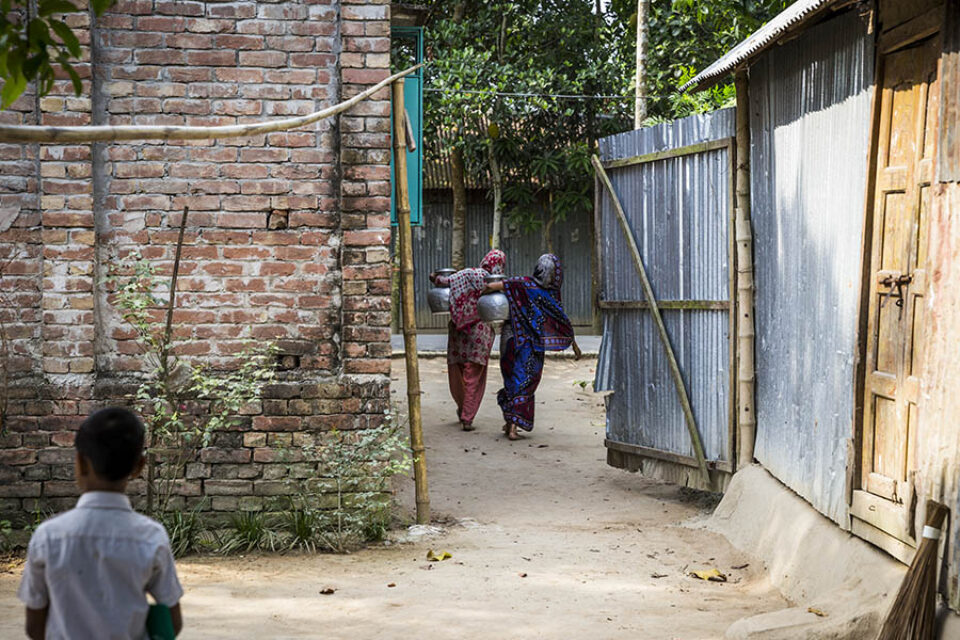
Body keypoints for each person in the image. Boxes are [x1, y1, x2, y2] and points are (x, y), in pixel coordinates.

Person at [19, 407, 184, 640]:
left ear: (80, 463)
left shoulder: (49, 536)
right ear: (139, 466)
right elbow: (172, 622)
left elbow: (34, 627)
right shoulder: (151, 536)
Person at [488, 253, 581, 440]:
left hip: (510, 340)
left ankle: (509, 424)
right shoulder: (550, 294)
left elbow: (491, 286)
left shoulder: (520, 284)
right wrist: (574, 345)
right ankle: (513, 428)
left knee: (512, 380)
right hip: (532, 346)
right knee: (525, 382)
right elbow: (561, 322)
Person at [429, 249, 506, 431]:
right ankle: (467, 417)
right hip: (480, 332)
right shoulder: (494, 281)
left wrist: (433, 276)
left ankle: (462, 406)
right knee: (474, 374)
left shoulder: (465, 274)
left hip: (458, 330)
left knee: (457, 369)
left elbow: (441, 281)